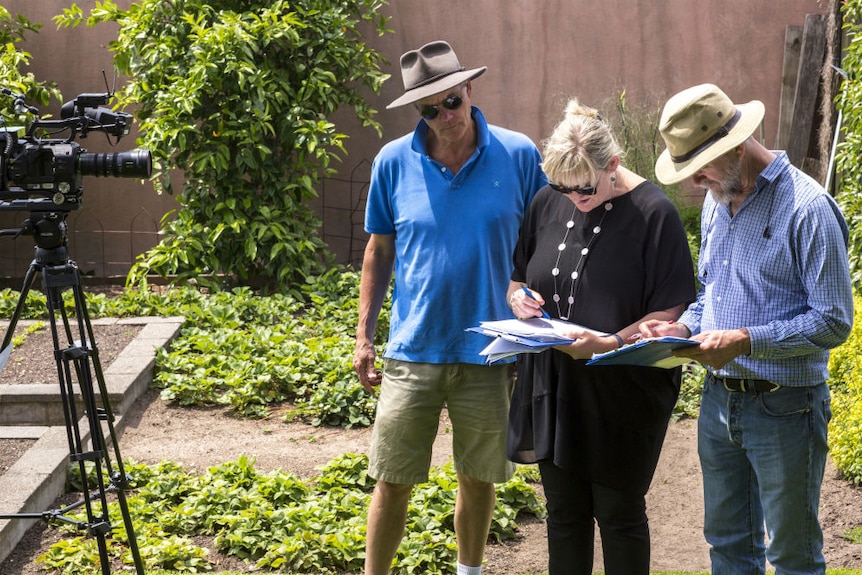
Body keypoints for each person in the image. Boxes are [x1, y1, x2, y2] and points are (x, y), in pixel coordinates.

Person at [642, 83, 854, 574]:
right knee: (728, 545)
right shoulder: (721, 200)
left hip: (786, 405)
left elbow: (833, 321)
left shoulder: (808, 208)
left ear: (736, 146)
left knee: (792, 554)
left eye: (703, 166)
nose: (696, 182)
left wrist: (746, 340)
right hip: (718, 402)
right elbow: (711, 298)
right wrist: (677, 328)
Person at [353, 40, 547, 575]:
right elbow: (378, 249)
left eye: (451, 102)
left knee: (478, 475)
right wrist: (364, 335)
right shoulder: (393, 161)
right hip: (414, 347)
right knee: (392, 478)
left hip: (491, 348)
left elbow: (544, 237)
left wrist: (531, 297)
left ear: (469, 89)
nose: (443, 117)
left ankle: (471, 570)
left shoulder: (519, 154)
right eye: (428, 109)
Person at [506, 98, 696, 575]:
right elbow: (517, 279)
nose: (573, 198)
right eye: (562, 187)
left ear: (613, 164)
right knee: (563, 515)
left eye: (584, 188)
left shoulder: (655, 214)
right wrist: (519, 300)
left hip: (623, 387)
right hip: (554, 383)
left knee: (618, 514)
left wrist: (611, 342)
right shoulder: (548, 199)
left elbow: (670, 308)